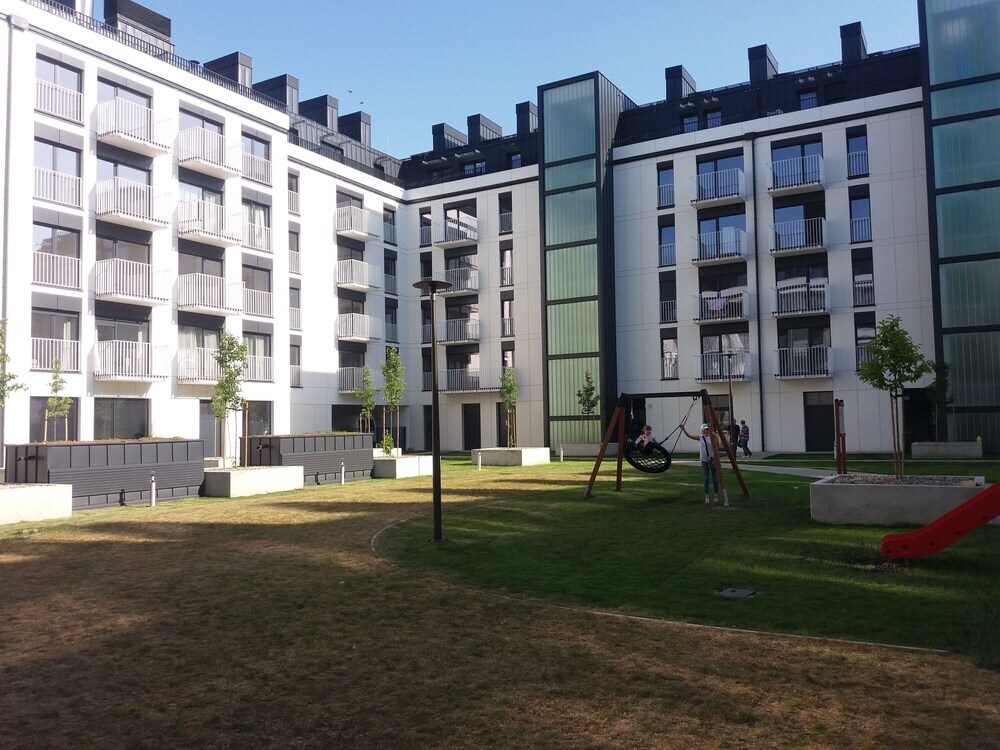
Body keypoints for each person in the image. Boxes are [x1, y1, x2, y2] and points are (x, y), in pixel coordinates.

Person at [680, 422, 720, 503]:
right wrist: (684, 429)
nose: (703, 430)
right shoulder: (700, 437)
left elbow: (717, 445)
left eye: (705, 429)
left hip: (712, 459)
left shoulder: (712, 437)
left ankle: (716, 495)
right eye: (703, 429)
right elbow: (690, 436)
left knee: (715, 478)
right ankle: (707, 496)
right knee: (706, 478)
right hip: (704, 460)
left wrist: (715, 436)